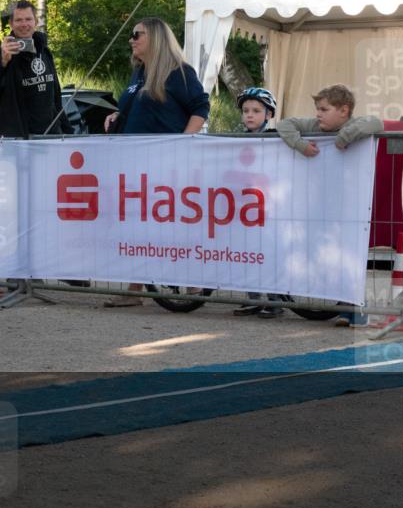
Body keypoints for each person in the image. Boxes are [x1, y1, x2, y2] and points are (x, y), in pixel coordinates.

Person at [102, 17, 210, 307]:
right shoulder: (139, 73)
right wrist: (116, 116)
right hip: (135, 164)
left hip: (166, 164)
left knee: (172, 224)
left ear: (156, 38)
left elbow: (201, 107)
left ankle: (193, 286)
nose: (131, 39)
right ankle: (134, 289)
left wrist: (184, 142)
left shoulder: (178, 72)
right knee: (139, 225)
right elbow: (134, 109)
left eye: (137, 34)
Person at [277, 84, 383, 328]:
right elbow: (285, 124)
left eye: (324, 109)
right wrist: (300, 144)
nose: (318, 114)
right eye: (317, 109)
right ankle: (337, 303)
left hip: (349, 206)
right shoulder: (315, 126)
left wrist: (345, 137)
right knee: (328, 255)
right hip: (321, 203)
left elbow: (376, 123)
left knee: (349, 256)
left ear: (344, 111)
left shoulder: (354, 123)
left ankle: (353, 309)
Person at [0, 0, 72, 138]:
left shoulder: (45, 52)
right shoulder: (1, 57)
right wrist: (2, 62)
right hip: (18, 142)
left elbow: (56, 97)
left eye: (28, 19)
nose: (24, 24)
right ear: (11, 24)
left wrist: (66, 131)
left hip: (51, 138)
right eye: (19, 20)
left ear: (36, 21)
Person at [231, 88, 286, 318]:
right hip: (245, 208)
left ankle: (275, 300)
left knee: (269, 254)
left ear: (269, 114)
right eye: (245, 111)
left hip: (270, 207)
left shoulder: (275, 138)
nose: (249, 115)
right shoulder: (236, 140)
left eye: (256, 110)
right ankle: (252, 298)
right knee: (248, 253)